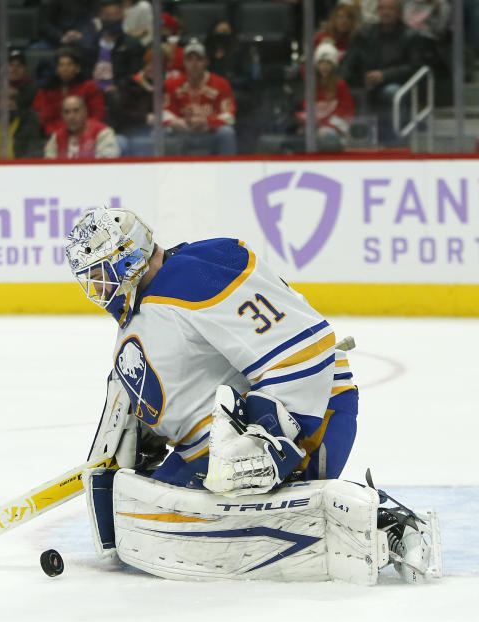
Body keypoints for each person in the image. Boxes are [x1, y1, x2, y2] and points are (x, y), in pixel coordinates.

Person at [67, 207, 438, 584]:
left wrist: (269, 437)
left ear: (129, 256)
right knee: (141, 515)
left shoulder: (195, 273)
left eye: (100, 271)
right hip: (212, 457)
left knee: (206, 519)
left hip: (301, 426)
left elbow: (303, 346)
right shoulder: (142, 308)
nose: (96, 285)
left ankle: (388, 523)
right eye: (89, 277)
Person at [340, 0, 422, 142]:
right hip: (365, 82)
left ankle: (395, 142)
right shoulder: (365, 33)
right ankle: (356, 141)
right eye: (382, 8)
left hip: (398, 84)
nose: (385, 12)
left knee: (392, 92)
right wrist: (359, 78)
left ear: (399, 12)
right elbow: (349, 62)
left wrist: (385, 76)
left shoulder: (411, 35)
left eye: (390, 9)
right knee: (345, 89)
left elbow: (414, 67)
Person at [162, 39, 237, 156]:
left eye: (199, 59)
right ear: (184, 62)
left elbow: (229, 116)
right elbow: (164, 111)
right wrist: (174, 122)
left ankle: (228, 170)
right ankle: (165, 171)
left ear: (206, 62)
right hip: (182, 135)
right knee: (159, 134)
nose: (194, 64)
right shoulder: (172, 84)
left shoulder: (221, 84)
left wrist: (208, 123)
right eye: (189, 59)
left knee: (227, 133)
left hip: (209, 134)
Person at [295, 42, 356, 151]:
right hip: (315, 127)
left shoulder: (340, 85)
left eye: (328, 62)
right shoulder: (313, 85)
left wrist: (327, 126)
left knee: (324, 137)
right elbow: (307, 107)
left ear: (333, 65)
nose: (324, 66)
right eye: (321, 62)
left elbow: (347, 111)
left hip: (334, 128)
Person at [32, 47, 106, 135]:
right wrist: (60, 134)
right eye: (61, 65)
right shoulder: (46, 90)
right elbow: (45, 120)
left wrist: (86, 131)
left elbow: (98, 114)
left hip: (86, 134)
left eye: (69, 65)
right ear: (56, 69)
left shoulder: (89, 86)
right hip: (55, 135)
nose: (65, 68)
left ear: (77, 68)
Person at [0, 87, 45, 160]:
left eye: (10, 99)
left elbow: (33, 151)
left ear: (17, 103)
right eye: (1, 100)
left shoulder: (28, 124)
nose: (6, 103)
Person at [44, 94, 119, 159]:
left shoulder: (103, 133)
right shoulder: (57, 137)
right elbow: (48, 165)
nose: (71, 116)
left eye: (76, 111)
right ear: (62, 115)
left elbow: (107, 165)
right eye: (66, 112)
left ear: (85, 112)